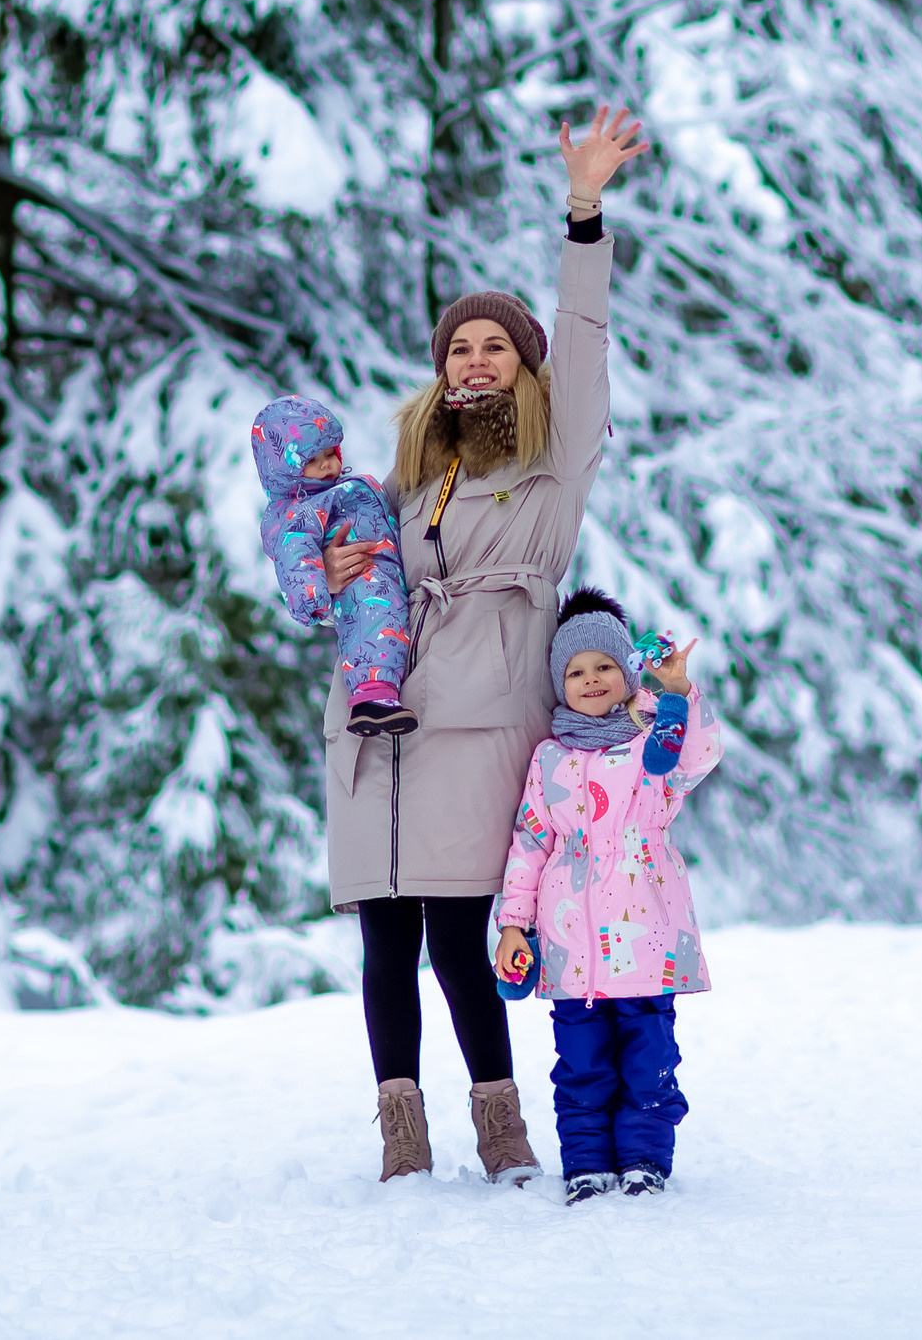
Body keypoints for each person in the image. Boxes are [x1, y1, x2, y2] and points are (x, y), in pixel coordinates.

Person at [319, 105, 650, 1183]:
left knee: (461, 939)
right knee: (383, 945)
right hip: (379, 728)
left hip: (475, 719)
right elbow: (359, 581)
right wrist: (340, 579)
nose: (472, 360)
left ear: (523, 366)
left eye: (492, 345)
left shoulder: (552, 465)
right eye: (458, 345)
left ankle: (501, 1137)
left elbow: (588, 345)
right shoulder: (411, 475)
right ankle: (400, 1147)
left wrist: (583, 211)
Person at [494, 590, 717, 1205]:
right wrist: (514, 924)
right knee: (582, 1064)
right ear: (559, 683)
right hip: (572, 948)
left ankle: (645, 1158)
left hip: (646, 941)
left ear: (625, 673)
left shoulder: (653, 739)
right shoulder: (550, 758)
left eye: (604, 667)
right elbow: (530, 844)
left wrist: (678, 693)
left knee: (649, 1060)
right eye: (575, 670)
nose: (591, 680)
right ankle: (586, 1163)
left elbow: (697, 757)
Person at [250, 396, 416, 737]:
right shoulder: (299, 510)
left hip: (388, 576)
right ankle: (372, 695)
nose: (327, 466)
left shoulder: (348, 489)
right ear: (285, 469)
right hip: (362, 582)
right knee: (372, 627)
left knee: (384, 624)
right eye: (312, 460)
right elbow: (294, 554)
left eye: (331, 455)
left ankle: (377, 694)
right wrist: (315, 591)